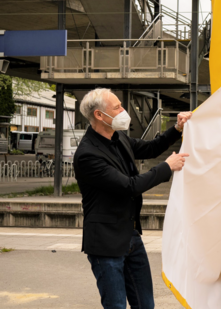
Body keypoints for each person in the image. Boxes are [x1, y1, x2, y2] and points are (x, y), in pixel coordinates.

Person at [73, 88, 192, 309]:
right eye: (117, 107)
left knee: (145, 304)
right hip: (106, 244)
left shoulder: (118, 138)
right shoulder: (88, 154)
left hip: (131, 236)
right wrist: (167, 167)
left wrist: (177, 128)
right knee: (116, 305)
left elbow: (149, 148)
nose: (123, 111)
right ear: (99, 115)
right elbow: (129, 186)